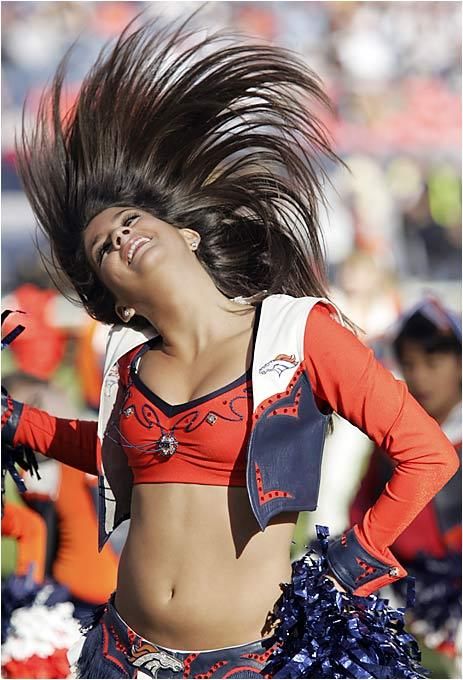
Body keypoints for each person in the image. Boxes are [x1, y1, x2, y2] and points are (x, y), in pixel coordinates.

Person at [2, 15, 459, 679]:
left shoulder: (297, 332)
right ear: (117, 298)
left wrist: (349, 563)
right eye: (103, 248)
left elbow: (426, 454)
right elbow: (111, 452)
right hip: (119, 654)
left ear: (186, 234)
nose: (120, 237)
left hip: (249, 662)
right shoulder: (130, 363)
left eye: (130, 220)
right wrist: (17, 421)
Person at [350, 298, 461, 663]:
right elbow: (362, 509)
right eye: (410, 364)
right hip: (398, 593)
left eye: (433, 362)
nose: (420, 377)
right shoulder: (393, 441)